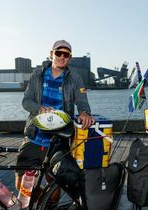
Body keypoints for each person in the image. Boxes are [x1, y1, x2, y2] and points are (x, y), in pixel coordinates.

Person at [15, 40, 94, 192]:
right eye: (58, 53)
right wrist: (39, 108)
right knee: (22, 185)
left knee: (55, 187)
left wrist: (85, 113)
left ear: (69, 58)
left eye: (66, 54)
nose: (62, 57)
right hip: (34, 136)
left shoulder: (75, 78)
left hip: (59, 139)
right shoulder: (37, 74)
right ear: (51, 54)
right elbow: (26, 101)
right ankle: (37, 202)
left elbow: (83, 103)